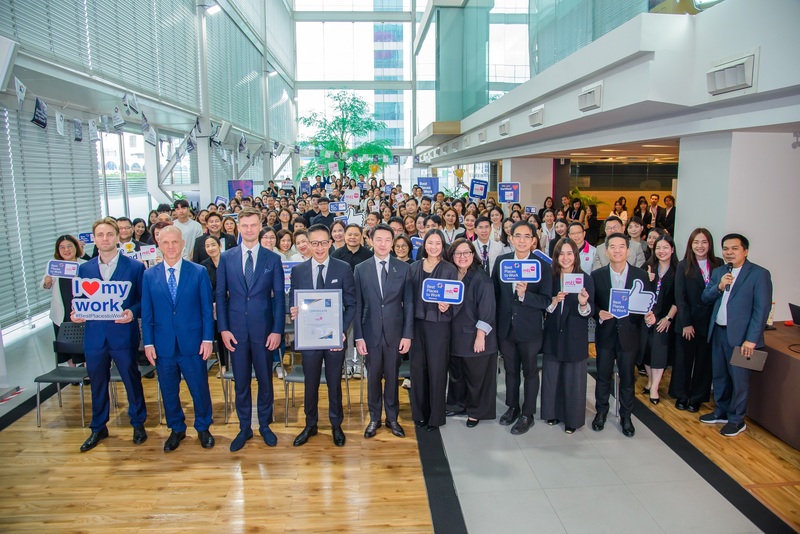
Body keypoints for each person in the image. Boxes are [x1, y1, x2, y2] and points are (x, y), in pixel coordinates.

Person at [71, 218, 147, 452]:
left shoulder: (135, 267)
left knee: (131, 380)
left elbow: (143, 300)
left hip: (123, 334)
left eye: (109, 234)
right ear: (94, 239)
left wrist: (132, 312)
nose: (105, 239)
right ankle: (98, 427)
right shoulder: (85, 269)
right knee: (97, 382)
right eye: (100, 235)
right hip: (95, 336)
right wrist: (76, 313)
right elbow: (80, 300)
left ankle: (138, 423)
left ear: (117, 237)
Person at [216, 208, 285, 451]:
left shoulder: (272, 259)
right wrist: (223, 329)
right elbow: (220, 296)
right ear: (238, 227)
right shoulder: (226, 258)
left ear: (260, 226)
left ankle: (265, 425)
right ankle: (244, 427)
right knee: (241, 382)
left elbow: (279, 298)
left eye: (253, 225)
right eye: (244, 225)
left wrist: (277, 330)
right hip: (235, 332)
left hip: (264, 331)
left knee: (265, 380)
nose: (248, 229)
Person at [141, 226, 215, 452]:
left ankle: (203, 427)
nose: (171, 246)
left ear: (183, 244)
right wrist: (148, 343)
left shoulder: (198, 272)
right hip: (162, 345)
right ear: (159, 245)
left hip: (193, 342)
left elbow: (206, 310)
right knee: (169, 390)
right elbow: (147, 312)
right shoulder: (149, 275)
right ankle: (177, 428)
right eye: (166, 242)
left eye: (175, 242)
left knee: (199, 388)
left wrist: (207, 339)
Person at [290, 224, 357, 447]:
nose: (319, 248)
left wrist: (341, 331)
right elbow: (292, 299)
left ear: (330, 243)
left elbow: (351, 303)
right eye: (315, 243)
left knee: (334, 383)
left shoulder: (343, 268)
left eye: (323, 243)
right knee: (310, 383)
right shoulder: (298, 271)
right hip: (309, 338)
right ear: (308, 244)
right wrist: (293, 310)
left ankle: (336, 424)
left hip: (334, 338)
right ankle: (311, 424)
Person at [700, 233, 772, 437]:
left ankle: (737, 420)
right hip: (719, 332)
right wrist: (719, 286)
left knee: (740, 381)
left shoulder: (759, 274)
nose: (729, 252)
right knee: (720, 376)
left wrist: (752, 339)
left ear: (745, 251)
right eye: (725, 248)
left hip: (743, 339)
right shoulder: (720, 272)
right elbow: (705, 298)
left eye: (734, 248)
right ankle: (721, 411)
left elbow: (761, 310)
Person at [492, 221, 553, 435]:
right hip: (505, 328)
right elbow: (495, 294)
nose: (522, 240)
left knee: (530, 372)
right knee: (510, 371)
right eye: (518, 235)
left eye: (527, 236)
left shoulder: (542, 266)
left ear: (534, 240)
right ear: (510, 238)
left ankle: (528, 413)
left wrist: (525, 295)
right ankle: (512, 407)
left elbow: (546, 300)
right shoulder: (502, 262)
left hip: (530, 329)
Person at [354, 224, 414, 439]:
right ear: (370, 241)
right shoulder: (361, 269)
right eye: (378, 239)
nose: (383, 244)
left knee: (392, 377)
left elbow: (409, 304)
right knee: (373, 379)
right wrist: (358, 336)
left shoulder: (403, 268)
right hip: (370, 334)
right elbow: (358, 305)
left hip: (395, 334)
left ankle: (392, 418)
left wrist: (407, 335)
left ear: (392, 242)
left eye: (387, 240)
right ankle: (374, 418)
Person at [591, 233, 649, 438]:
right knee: (603, 377)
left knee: (627, 378)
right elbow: (591, 304)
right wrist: (598, 312)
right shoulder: (597, 275)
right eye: (613, 247)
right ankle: (601, 412)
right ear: (606, 251)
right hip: (606, 335)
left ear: (628, 250)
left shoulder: (641, 276)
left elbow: (646, 304)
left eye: (621, 246)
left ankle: (626, 416)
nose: (617, 250)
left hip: (629, 335)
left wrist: (650, 314)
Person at [541, 238, 594, 433]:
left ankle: (572, 420)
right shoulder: (550, 277)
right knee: (551, 377)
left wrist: (583, 303)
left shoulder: (585, 279)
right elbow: (544, 306)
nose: (565, 257)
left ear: (575, 255)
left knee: (574, 380)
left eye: (569, 253)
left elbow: (591, 311)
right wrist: (554, 301)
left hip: (574, 337)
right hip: (553, 334)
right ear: (556, 257)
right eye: (561, 254)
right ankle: (552, 413)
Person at [408, 229, 458, 432]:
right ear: (424, 244)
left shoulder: (449, 269)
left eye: (438, 243)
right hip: (416, 325)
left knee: (437, 371)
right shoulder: (413, 267)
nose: (434, 247)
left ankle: (435, 417)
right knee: (417, 370)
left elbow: (456, 297)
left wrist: (448, 305)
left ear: (443, 246)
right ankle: (420, 414)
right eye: (430, 242)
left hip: (439, 326)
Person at [446, 238, 497, 428]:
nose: (462, 257)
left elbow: (487, 310)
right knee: (457, 375)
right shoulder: (451, 275)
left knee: (476, 377)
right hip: (456, 336)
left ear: (473, 254)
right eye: (457, 253)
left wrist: (480, 336)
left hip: (476, 336)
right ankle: (457, 405)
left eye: (466, 252)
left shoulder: (481, 278)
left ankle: (476, 412)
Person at [669, 228, 722, 412]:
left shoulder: (718, 264)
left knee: (703, 363)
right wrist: (686, 323)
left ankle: (697, 397)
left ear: (710, 244)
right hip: (687, 322)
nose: (700, 246)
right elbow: (680, 297)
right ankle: (682, 395)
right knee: (683, 361)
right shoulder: (683, 265)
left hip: (709, 323)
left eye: (704, 242)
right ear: (691, 245)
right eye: (696, 242)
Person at [641, 235, 678, 405]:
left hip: (665, 317)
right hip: (647, 316)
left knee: (659, 353)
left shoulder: (678, 270)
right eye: (658, 248)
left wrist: (668, 318)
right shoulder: (648, 267)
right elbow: (639, 292)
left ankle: (655, 387)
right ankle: (650, 381)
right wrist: (645, 279)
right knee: (646, 350)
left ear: (672, 249)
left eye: (665, 247)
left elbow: (679, 298)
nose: (661, 251)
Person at [42, 235, 86, 365]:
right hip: (61, 312)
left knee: (85, 345)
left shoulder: (85, 265)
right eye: (62, 247)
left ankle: (88, 371)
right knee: (67, 347)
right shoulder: (55, 266)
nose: (66, 250)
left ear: (76, 247)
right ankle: (73, 372)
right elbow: (45, 285)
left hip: (81, 312)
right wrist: (47, 282)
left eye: (69, 246)